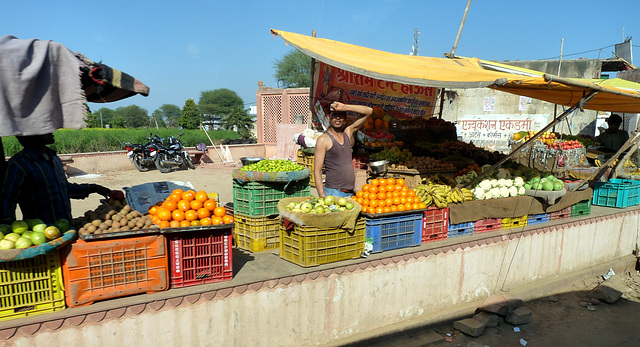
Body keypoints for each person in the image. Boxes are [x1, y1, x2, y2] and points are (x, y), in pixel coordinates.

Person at [0, 133, 111, 225]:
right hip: (42, 235)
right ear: (30, 134)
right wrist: (8, 224)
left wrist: (93, 188)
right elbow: (8, 199)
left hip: (65, 228)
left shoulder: (53, 158)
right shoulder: (18, 164)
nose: (52, 129)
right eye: (45, 128)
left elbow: (64, 188)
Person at [314, 101, 373, 198]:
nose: (338, 118)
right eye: (334, 115)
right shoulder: (323, 139)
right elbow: (317, 171)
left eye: (341, 115)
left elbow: (369, 111)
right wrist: (322, 197)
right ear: (328, 117)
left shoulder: (348, 133)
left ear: (345, 118)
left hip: (350, 193)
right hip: (333, 193)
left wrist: (345, 107)